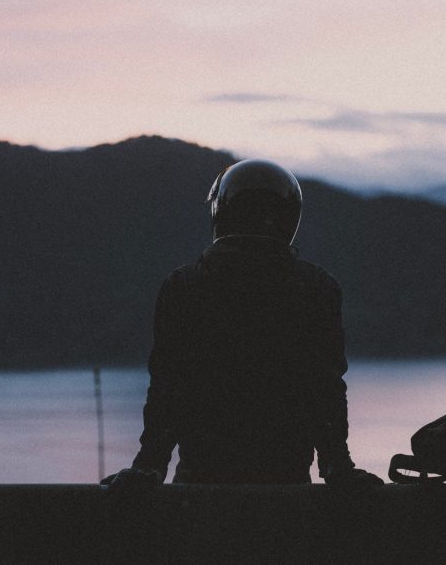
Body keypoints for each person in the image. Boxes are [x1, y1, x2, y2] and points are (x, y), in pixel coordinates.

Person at [102, 159, 382, 491]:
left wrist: (149, 465)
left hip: (199, 486)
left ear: (221, 212)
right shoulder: (317, 288)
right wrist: (338, 466)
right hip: (288, 486)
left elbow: (168, 386)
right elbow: (325, 387)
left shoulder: (185, 287)